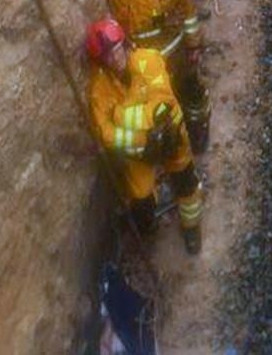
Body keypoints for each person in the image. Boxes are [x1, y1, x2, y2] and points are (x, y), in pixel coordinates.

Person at [86, 18, 203, 255]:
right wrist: (143, 141)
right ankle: (148, 225)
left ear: (125, 45)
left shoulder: (148, 61)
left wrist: (120, 116)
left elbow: (164, 105)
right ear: (101, 61)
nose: (114, 59)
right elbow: (105, 134)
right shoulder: (100, 89)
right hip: (138, 150)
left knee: (185, 183)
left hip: (170, 134)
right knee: (140, 196)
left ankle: (192, 228)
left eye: (117, 50)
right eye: (108, 56)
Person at [104, 0, 210, 153]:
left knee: (192, 93)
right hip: (147, 65)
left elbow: (187, 10)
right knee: (161, 106)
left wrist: (194, 45)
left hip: (179, 52)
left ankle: (198, 131)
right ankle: (173, 145)